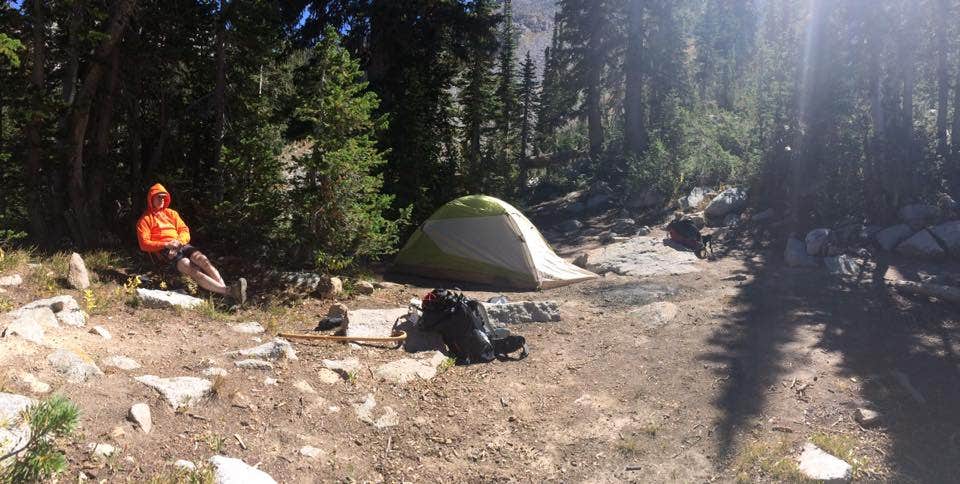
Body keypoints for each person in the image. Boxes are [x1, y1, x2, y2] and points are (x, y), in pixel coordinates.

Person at [136, 183, 247, 304]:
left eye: (164, 197)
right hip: (165, 251)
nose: (162, 199)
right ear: (151, 198)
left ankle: (228, 296)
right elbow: (144, 244)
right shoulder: (145, 220)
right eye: (159, 197)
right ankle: (229, 292)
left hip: (180, 244)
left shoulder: (172, 214)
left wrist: (178, 242)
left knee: (203, 261)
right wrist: (166, 244)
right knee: (191, 267)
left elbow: (185, 231)